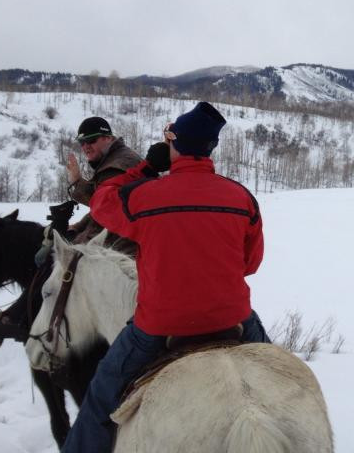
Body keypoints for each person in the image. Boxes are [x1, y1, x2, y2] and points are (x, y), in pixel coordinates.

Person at [60, 102, 270, 453]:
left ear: (174, 145)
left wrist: (145, 167)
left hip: (159, 326)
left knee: (101, 396)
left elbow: (101, 202)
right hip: (233, 318)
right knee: (274, 373)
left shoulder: (144, 196)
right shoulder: (242, 198)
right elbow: (250, 263)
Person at [64, 117, 142, 250]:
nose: (86, 146)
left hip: (123, 251)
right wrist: (77, 227)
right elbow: (100, 209)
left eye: (91, 140)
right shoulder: (117, 158)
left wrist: (73, 246)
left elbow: (105, 215)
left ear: (108, 138)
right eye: (82, 142)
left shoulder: (115, 168)